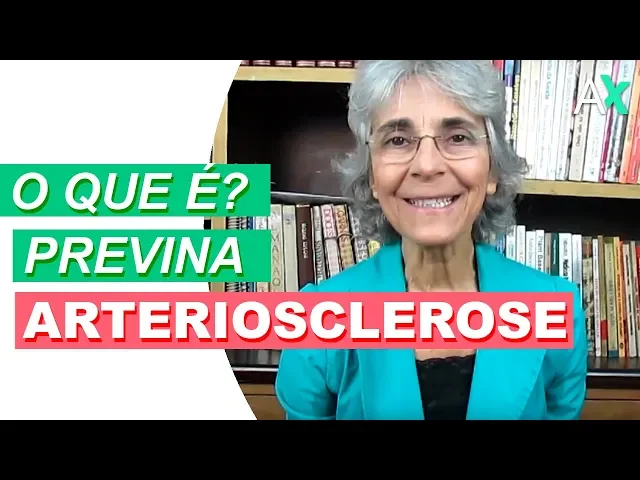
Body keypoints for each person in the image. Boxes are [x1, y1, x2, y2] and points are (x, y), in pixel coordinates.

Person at [275, 60, 588, 420]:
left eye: (458, 137)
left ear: (492, 171)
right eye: (397, 140)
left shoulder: (558, 311)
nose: (427, 166)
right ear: (373, 176)